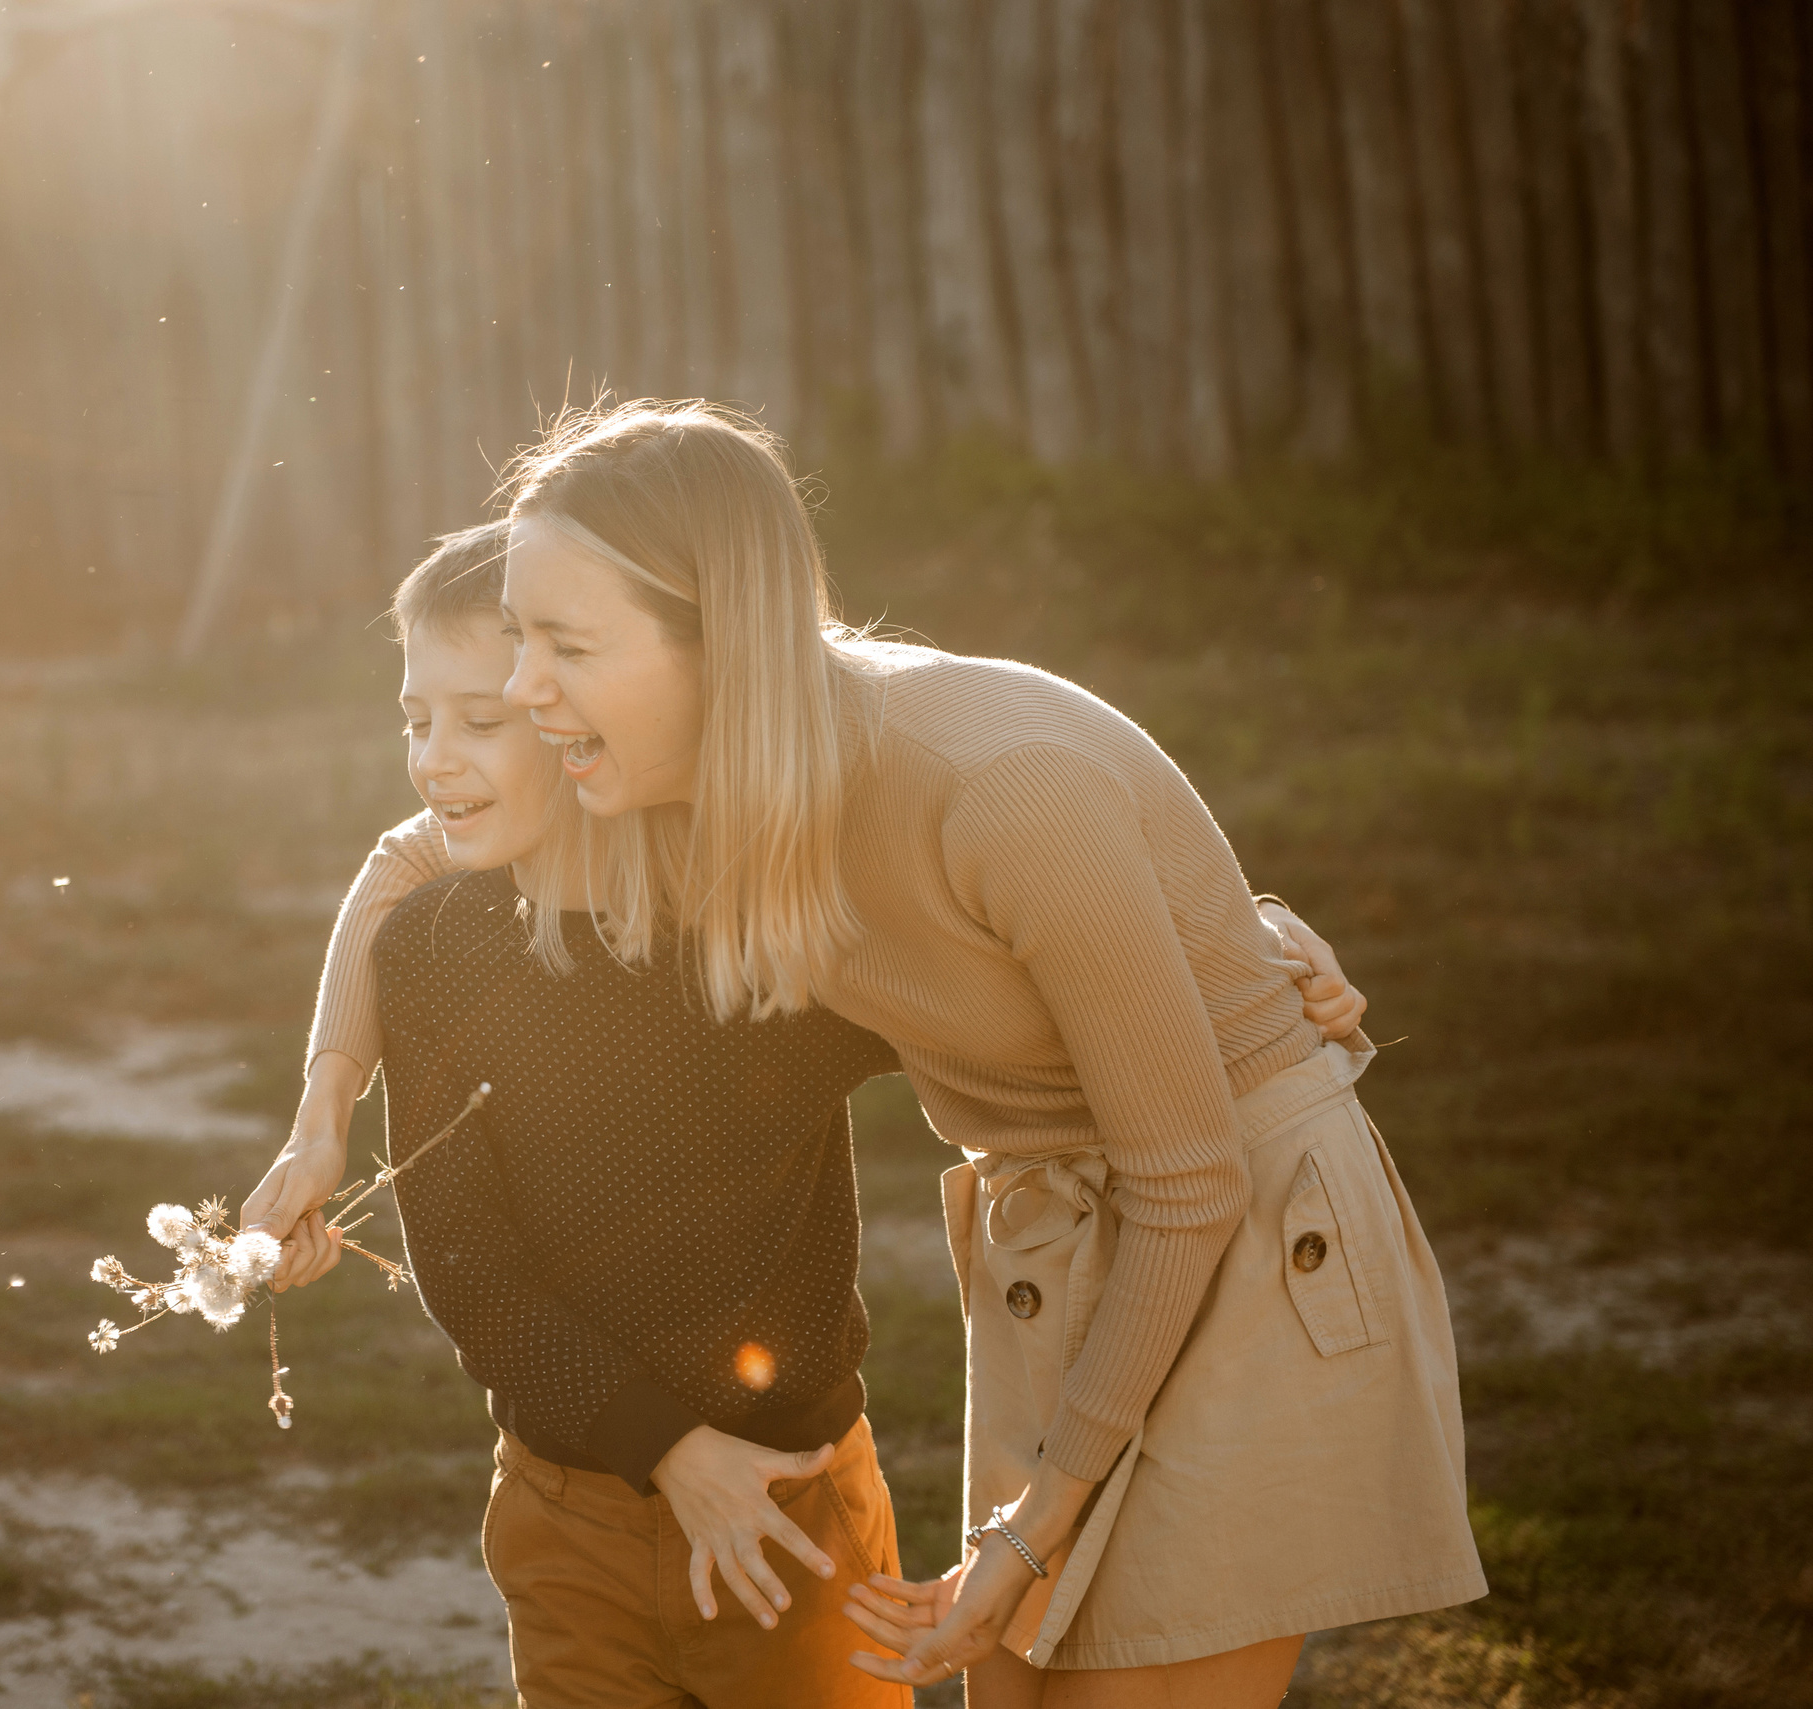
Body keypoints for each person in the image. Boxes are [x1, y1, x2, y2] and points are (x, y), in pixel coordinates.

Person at [253, 402, 1480, 1707]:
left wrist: (1030, 1524)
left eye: (562, 645)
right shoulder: (707, 795)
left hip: (1227, 1240)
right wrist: (326, 1110)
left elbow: (1189, 1178)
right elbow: (413, 858)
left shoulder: (993, 784)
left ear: (712, 637)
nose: (522, 688)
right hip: (1062, 1249)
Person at [253, 523, 912, 1708]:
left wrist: (1244, 947)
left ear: (580, 720)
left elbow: (1003, 984)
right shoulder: (438, 951)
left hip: (789, 1509)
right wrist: (666, 1447)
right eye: (416, 719)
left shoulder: (761, 940)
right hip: (565, 1517)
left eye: (483, 718)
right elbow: (464, 1261)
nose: (434, 758)